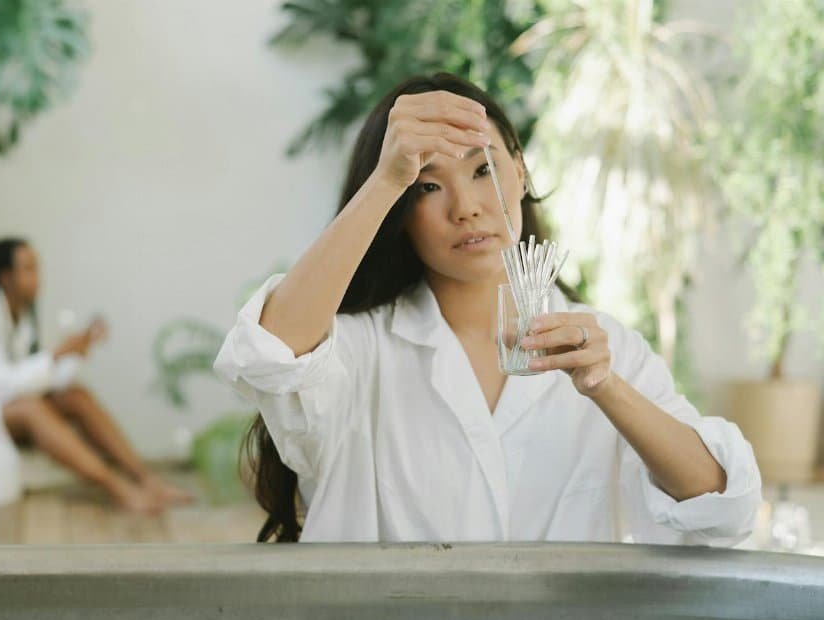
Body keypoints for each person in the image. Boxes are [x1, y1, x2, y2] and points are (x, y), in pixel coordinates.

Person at [214, 73, 761, 543]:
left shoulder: (609, 348)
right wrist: (388, 177)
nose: (468, 208)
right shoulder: (359, 352)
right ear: (400, 212)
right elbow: (269, 356)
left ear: (519, 172)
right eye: (428, 186)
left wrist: (604, 386)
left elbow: (720, 508)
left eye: (482, 171)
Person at [0, 238, 192, 514]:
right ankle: (118, 489)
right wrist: (55, 356)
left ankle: (147, 479)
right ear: (5, 276)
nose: (38, 277)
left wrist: (77, 350)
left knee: (76, 396)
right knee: (33, 410)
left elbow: (41, 379)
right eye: (29, 269)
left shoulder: (21, 320)